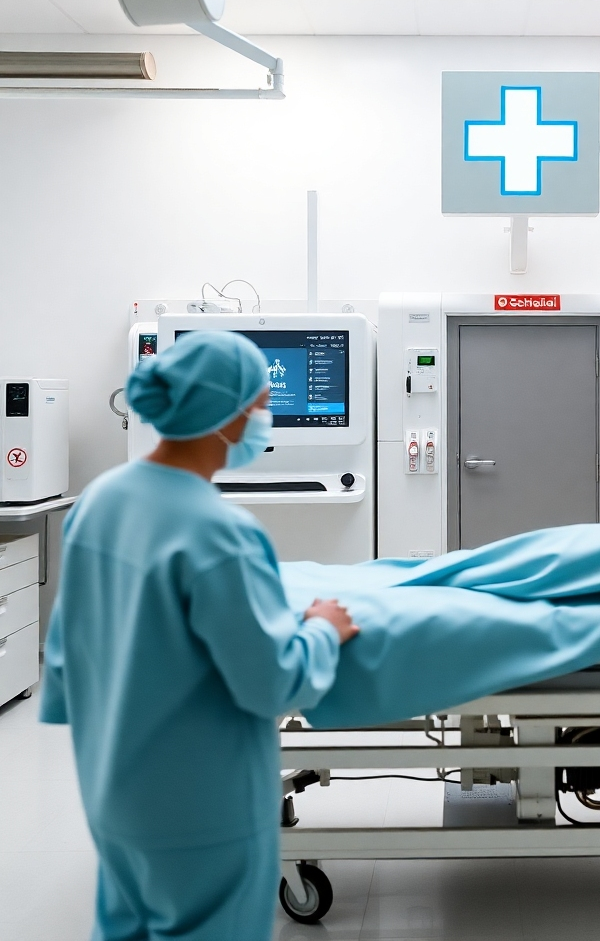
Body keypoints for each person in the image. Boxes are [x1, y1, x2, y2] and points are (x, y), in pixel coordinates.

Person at [39, 332, 359, 941]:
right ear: (230, 414)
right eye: (263, 403)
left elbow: (65, 659)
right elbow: (271, 683)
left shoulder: (99, 501)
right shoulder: (217, 532)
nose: (265, 418)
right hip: (202, 807)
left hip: (115, 791)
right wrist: (322, 630)